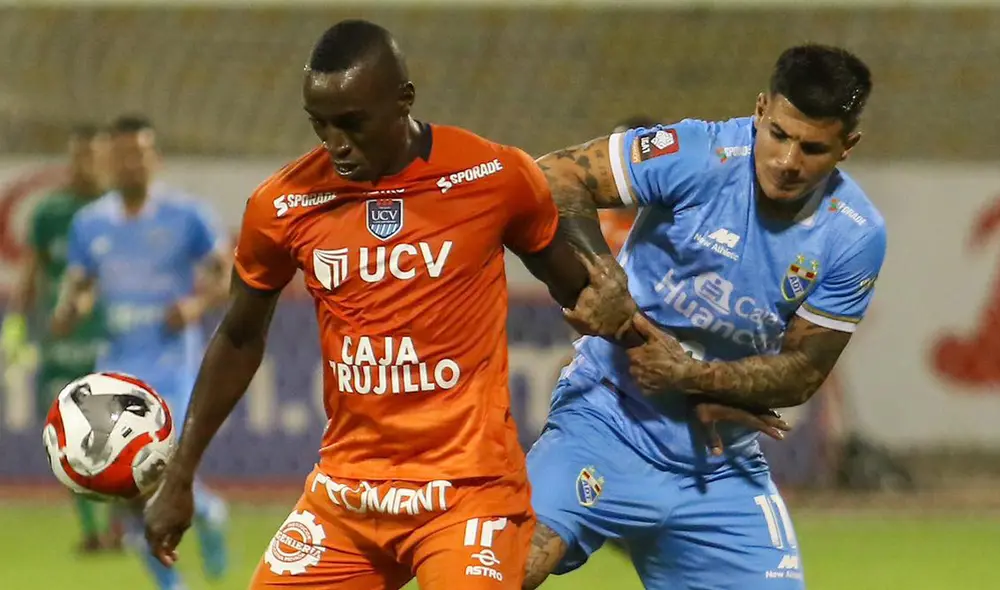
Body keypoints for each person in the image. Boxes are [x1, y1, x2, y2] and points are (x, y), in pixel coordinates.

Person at [140, 19, 778, 590]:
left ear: (404, 100)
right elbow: (239, 337)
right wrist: (180, 475)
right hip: (347, 492)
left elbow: (588, 299)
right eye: (320, 123)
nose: (336, 143)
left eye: (353, 123)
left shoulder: (491, 178)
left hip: (468, 494)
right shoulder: (282, 206)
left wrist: (698, 381)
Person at [524, 44, 885, 590]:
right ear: (760, 110)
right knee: (500, 572)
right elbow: (551, 175)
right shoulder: (698, 152)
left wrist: (694, 377)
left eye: (812, 148)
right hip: (604, 421)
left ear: (846, 147)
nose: (787, 162)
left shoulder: (854, 233)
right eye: (779, 135)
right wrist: (606, 274)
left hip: (719, 464)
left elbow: (805, 371)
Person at [52, 114, 230, 590]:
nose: (131, 164)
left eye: (140, 154)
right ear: (108, 162)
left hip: (171, 364)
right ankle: (177, 573)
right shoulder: (89, 225)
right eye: (122, 155)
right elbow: (82, 282)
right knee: (122, 485)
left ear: (156, 159)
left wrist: (195, 304)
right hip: (115, 367)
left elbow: (225, 273)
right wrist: (71, 306)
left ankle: (206, 515)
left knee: (150, 471)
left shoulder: (187, 216)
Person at [1, 124, 113, 553]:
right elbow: (31, 274)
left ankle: (122, 524)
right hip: (60, 341)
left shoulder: (119, 211)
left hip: (111, 341)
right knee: (67, 439)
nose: (85, 165)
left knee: (122, 435)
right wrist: (15, 327)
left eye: (93, 156)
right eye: (78, 156)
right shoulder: (50, 213)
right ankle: (92, 531)